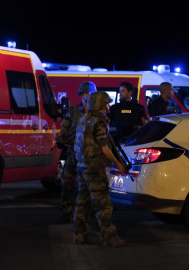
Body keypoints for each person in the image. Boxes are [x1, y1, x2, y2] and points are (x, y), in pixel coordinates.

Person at [73, 91, 126, 247]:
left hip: (81, 166)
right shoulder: (99, 122)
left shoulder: (84, 119)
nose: (108, 107)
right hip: (94, 168)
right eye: (106, 104)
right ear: (101, 105)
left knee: (82, 202)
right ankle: (109, 236)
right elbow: (104, 149)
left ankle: (79, 236)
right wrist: (117, 162)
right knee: (102, 203)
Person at [54, 81, 96, 224]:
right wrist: (61, 138)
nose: (88, 96)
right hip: (74, 152)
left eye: (90, 93)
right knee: (67, 183)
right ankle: (67, 211)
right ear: (81, 94)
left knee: (90, 186)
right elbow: (65, 128)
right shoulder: (73, 111)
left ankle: (90, 214)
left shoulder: (98, 112)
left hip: (90, 154)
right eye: (85, 93)